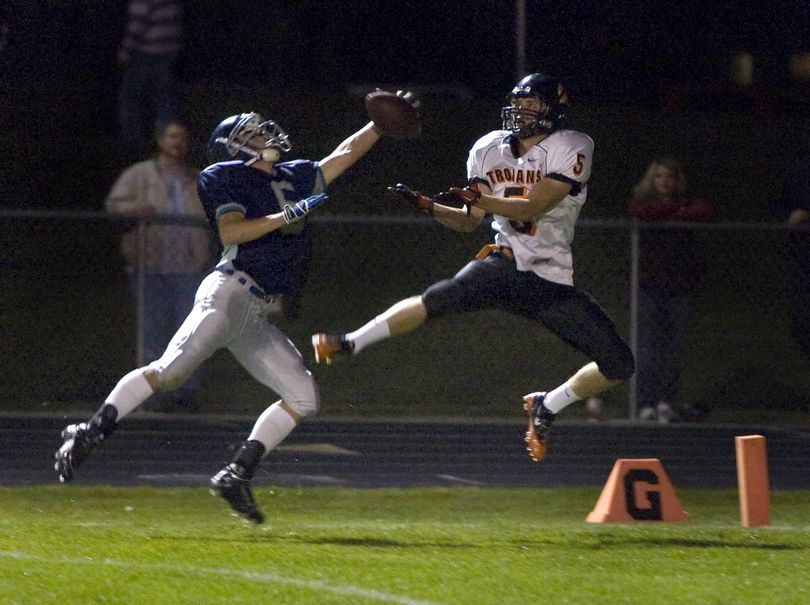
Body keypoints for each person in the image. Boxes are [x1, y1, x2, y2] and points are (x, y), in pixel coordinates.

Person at [55, 107, 405, 523]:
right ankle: (90, 430)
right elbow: (232, 233)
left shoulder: (291, 174)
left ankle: (236, 473)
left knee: (303, 396)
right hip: (228, 293)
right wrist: (283, 217)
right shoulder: (223, 175)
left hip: (256, 312)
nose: (267, 134)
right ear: (235, 145)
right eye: (254, 133)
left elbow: (343, 154)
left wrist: (378, 126)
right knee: (170, 372)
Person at [312, 73, 635, 462]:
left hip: (550, 276)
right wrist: (429, 206)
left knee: (619, 364)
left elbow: (534, 206)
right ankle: (350, 341)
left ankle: (548, 404)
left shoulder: (573, 145)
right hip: (504, 262)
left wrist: (481, 200)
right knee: (437, 299)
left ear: (554, 109)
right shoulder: (488, 147)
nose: (521, 111)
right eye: (519, 103)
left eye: (532, 104)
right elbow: (469, 220)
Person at [105, 120, 213, 412]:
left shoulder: (196, 178)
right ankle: (148, 394)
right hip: (149, 267)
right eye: (172, 136)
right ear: (160, 140)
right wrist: (135, 210)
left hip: (189, 268)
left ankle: (184, 394)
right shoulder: (140, 174)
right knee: (151, 334)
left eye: (183, 137)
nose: (178, 142)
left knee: (190, 335)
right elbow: (114, 205)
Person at [626, 158, 713, 422]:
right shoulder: (644, 202)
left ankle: (667, 401)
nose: (665, 182)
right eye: (660, 177)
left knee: (673, 349)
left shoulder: (687, 202)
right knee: (645, 350)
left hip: (678, 285)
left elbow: (704, 211)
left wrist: (673, 210)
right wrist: (673, 211)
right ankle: (645, 403)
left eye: (670, 177)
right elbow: (641, 212)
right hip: (648, 285)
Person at [117, 0, 184, 157]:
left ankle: (133, 145)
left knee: (131, 101)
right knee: (164, 99)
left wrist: (125, 52)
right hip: (169, 49)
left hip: (147, 52)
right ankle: (171, 144)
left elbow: (137, 26)